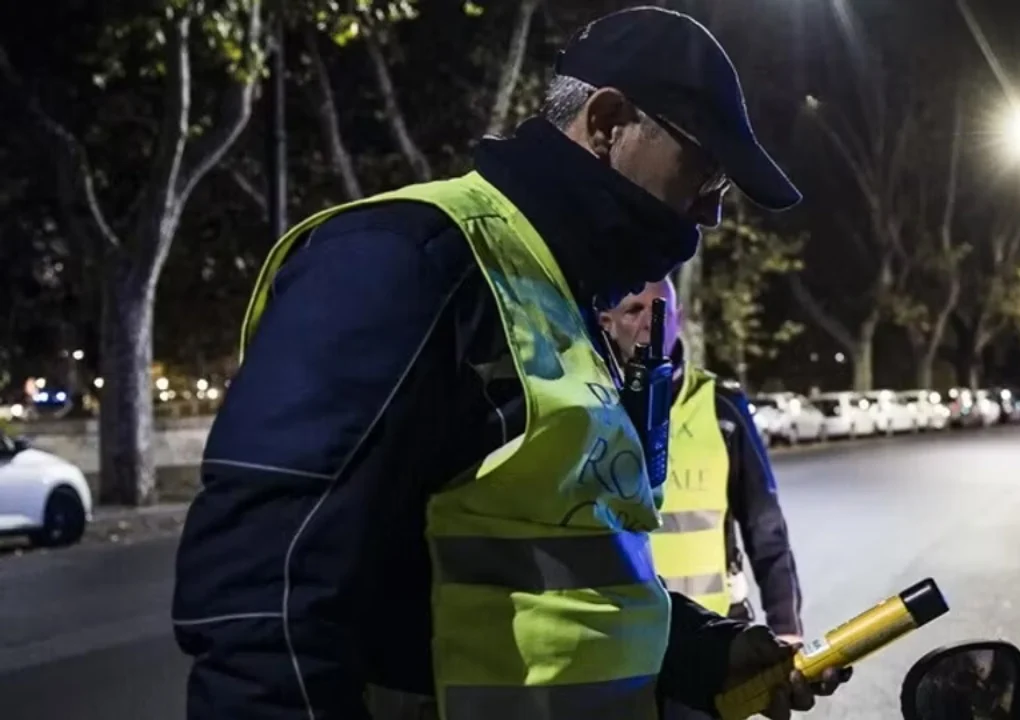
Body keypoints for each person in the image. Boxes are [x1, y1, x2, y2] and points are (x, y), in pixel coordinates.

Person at [171, 7, 849, 720]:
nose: (710, 215)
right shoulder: (407, 262)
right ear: (608, 123)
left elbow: (561, 576)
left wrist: (701, 654)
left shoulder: (559, 299)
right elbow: (267, 597)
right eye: (704, 172)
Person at [600, 278, 809, 720]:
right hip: (622, 645)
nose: (647, 323)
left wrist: (786, 629)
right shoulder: (591, 409)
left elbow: (765, 525)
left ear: (679, 320)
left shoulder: (721, 406)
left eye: (659, 311)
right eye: (633, 310)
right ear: (607, 322)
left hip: (715, 647)